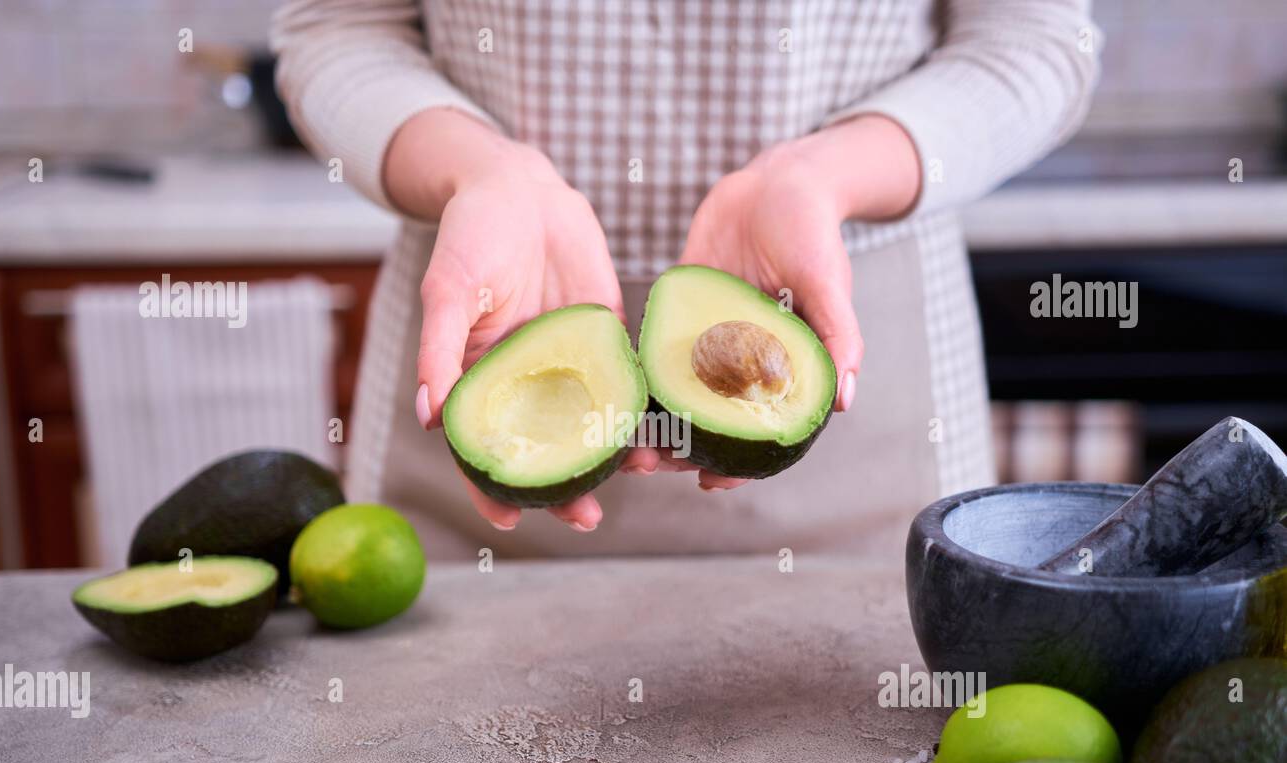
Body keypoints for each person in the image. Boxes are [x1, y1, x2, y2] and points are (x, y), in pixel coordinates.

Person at [272, 0, 1099, 560]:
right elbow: (338, 28)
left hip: (862, 448)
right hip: (491, 330)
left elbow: (1033, 40)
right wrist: (481, 172)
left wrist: (823, 176)